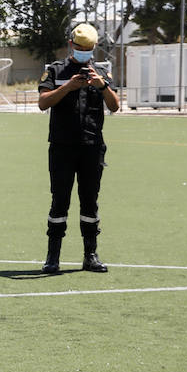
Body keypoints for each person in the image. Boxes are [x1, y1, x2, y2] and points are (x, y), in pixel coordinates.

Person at [37, 22, 120, 274]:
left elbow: (115, 106)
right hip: (62, 147)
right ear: (71, 45)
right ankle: (53, 257)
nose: (85, 51)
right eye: (81, 47)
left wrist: (101, 86)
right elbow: (43, 103)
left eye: (90, 48)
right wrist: (68, 86)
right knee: (59, 201)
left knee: (90, 202)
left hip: (92, 147)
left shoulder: (101, 72)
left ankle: (90, 255)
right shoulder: (55, 70)